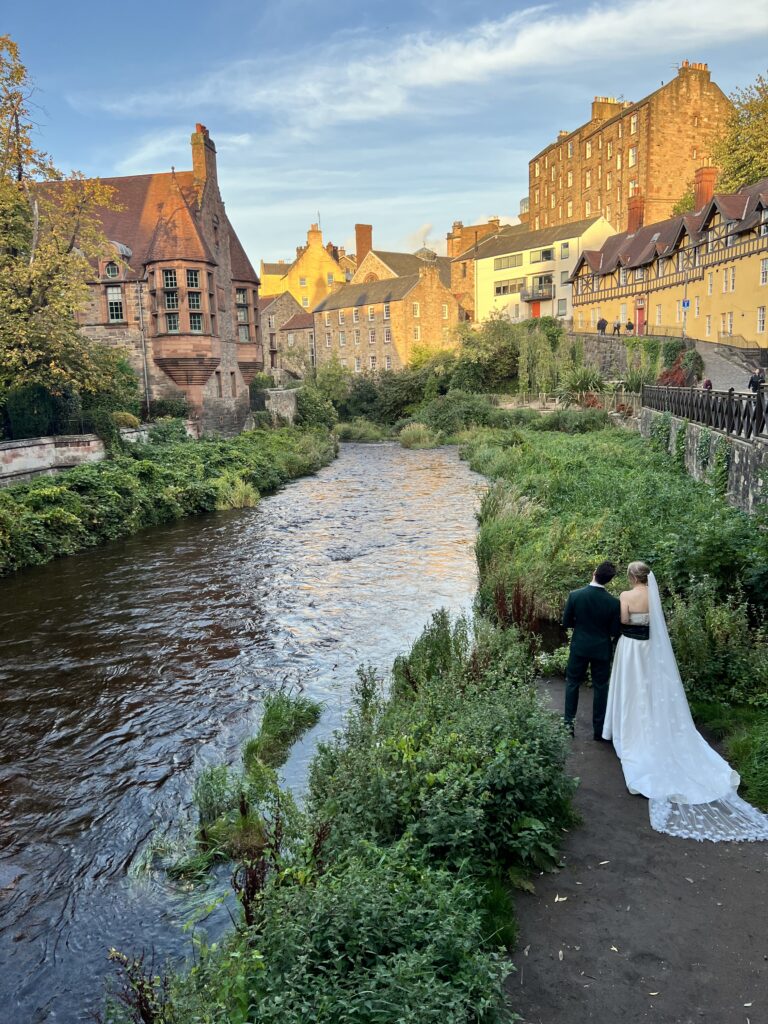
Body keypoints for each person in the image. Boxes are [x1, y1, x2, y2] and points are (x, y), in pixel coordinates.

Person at [602, 561, 768, 841]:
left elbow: (623, 621)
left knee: (630, 690)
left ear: (631, 576)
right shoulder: (653, 596)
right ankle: (650, 722)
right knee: (648, 690)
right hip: (649, 650)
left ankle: (623, 727)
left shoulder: (625, 596)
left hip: (631, 649)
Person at [562, 561, 622, 740]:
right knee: (601, 687)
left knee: (572, 683)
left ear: (594, 573)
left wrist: (580, 626)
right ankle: (599, 730)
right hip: (601, 649)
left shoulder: (575, 596)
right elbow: (614, 631)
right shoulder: (613, 603)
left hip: (579, 646)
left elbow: (566, 622)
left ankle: (568, 726)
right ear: (609, 580)